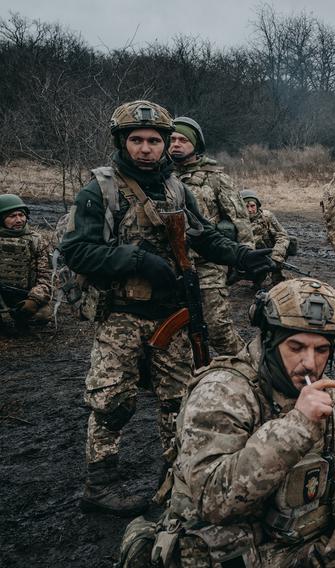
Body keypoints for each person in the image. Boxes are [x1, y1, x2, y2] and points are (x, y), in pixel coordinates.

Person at [59, 100, 275, 516]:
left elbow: (205, 237)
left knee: (178, 401)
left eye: (154, 141)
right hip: (122, 316)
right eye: (136, 140)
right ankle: (99, 485)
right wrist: (138, 261)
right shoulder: (100, 190)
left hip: (171, 319)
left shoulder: (178, 189)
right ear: (122, 142)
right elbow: (77, 251)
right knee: (111, 402)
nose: (145, 148)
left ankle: (176, 478)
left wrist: (243, 256)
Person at [158, 277, 335, 567]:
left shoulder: (321, 390)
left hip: (301, 535)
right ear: (269, 341)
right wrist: (298, 425)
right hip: (240, 551)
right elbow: (212, 501)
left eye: (321, 350)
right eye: (296, 347)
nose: (309, 363)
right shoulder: (223, 391)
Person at [171, 116, 255, 356]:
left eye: (183, 139)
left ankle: (248, 373)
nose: (176, 144)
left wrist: (243, 259)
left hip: (209, 265)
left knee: (218, 327)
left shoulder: (216, 178)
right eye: (172, 139)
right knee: (176, 330)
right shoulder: (160, 177)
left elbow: (240, 221)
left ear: (196, 144)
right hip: (171, 265)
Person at [0, 193, 53, 327]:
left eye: (21, 215)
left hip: (25, 296)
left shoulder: (37, 241)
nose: (19, 220)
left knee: (43, 314)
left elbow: (47, 277)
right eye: (12, 216)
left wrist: (34, 300)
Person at [241, 188, 291, 287]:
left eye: (252, 206)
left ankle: (275, 274)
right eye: (246, 206)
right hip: (247, 257)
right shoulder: (235, 220)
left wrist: (276, 256)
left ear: (257, 205)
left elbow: (283, 235)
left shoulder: (266, 217)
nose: (250, 210)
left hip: (267, 253)